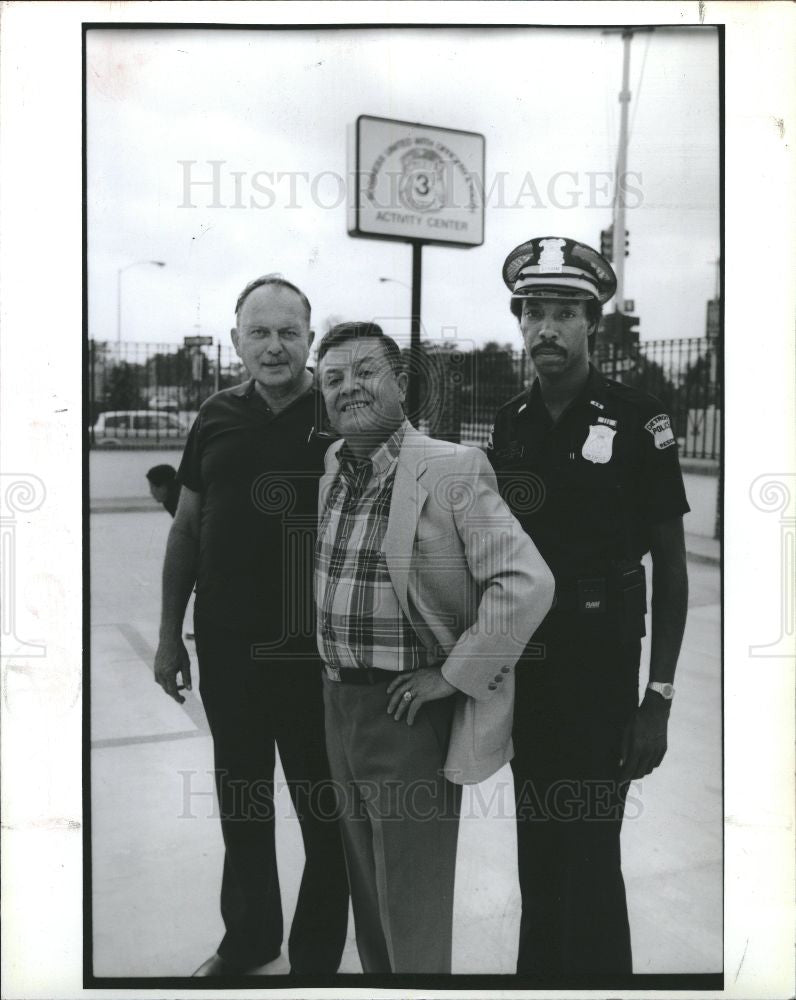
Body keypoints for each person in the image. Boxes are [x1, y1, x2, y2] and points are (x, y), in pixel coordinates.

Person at [314, 322, 555, 973]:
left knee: (412, 907)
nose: (348, 388)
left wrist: (454, 674)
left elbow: (527, 581)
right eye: (332, 379)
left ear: (400, 381)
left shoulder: (452, 467)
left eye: (365, 371)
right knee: (367, 891)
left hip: (406, 716)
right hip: (339, 705)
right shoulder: (334, 465)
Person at [487, 236, 690, 978]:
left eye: (563, 312)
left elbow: (671, 568)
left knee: (591, 852)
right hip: (528, 663)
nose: (546, 328)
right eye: (533, 311)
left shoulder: (640, 419)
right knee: (536, 847)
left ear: (591, 323)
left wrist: (657, 699)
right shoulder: (510, 421)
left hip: (603, 665)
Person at [153, 274, 348, 977]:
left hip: (317, 654)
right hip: (230, 649)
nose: (274, 346)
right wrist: (170, 633)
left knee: (326, 816)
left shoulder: (339, 414)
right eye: (259, 332)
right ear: (237, 340)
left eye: (288, 332)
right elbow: (186, 529)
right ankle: (250, 941)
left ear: (309, 338)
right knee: (243, 804)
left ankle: (317, 960)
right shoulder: (214, 416)